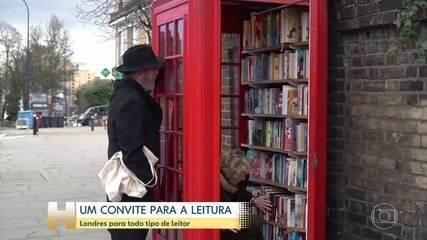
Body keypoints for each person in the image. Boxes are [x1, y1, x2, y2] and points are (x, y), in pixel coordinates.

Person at [107, 44, 164, 240]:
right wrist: (151, 181)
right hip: (131, 192)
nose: (157, 73)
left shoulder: (126, 95)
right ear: (140, 74)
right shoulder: (131, 101)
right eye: (153, 69)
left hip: (127, 190)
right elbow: (131, 151)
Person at [220, 149, 272, 240]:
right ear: (230, 173)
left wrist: (254, 200)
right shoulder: (216, 185)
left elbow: (240, 192)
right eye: (241, 175)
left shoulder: (241, 179)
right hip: (218, 219)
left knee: (253, 222)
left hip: (233, 216)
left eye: (245, 174)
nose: (244, 178)